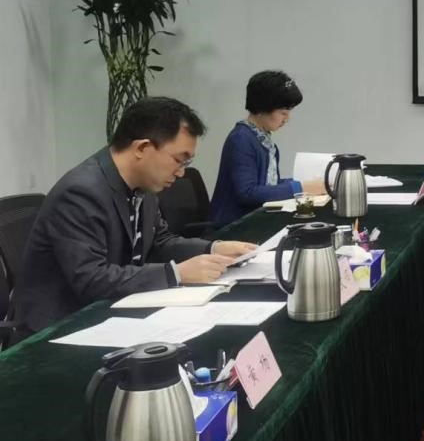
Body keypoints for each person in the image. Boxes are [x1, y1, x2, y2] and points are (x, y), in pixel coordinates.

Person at [13, 97, 255, 339]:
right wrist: (176, 273)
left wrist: (214, 249)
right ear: (142, 148)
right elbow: (91, 279)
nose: (181, 172)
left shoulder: (143, 185)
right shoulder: (80, 193)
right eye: (178, 160)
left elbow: (159, 242)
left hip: (112, 313)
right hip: (58, 330)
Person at [209, 70, 324, 227]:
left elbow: (269, 185)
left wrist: (304, 183)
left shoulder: (263, 141)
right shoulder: (241, 139)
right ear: (262, 108)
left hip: (254, 221)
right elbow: (248, 193)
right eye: (283, 113)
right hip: (232, 227)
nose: (287, 119)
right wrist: (301, 187)